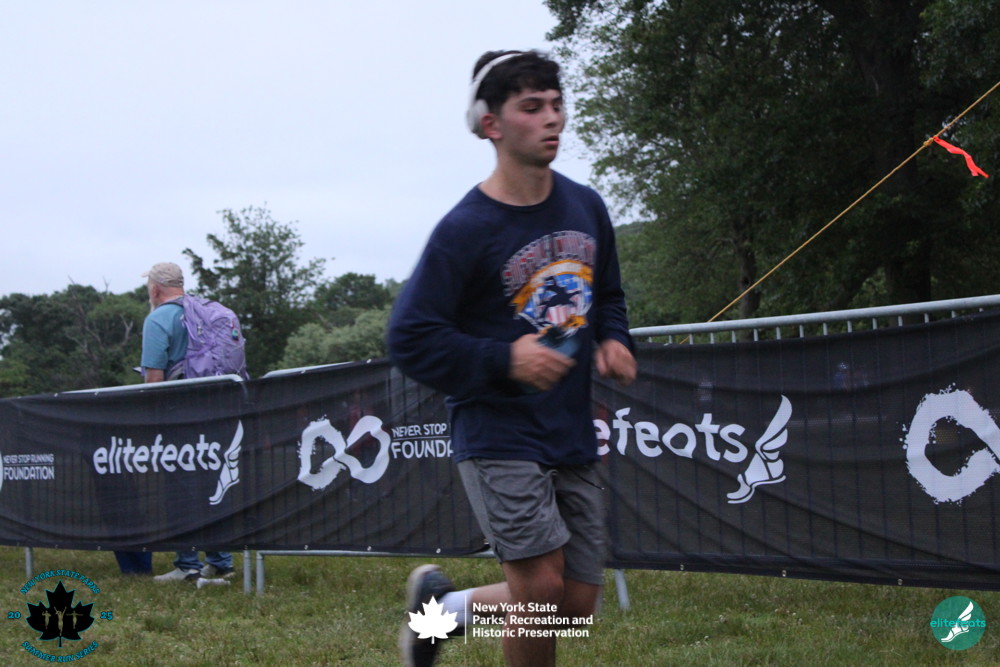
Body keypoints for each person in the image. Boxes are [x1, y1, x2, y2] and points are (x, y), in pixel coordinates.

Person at [388, 50, 636, 667]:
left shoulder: (586, 206)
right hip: (497, 429)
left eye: (556, 104)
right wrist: (504, 360)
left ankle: (443, 611)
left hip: (568, 427)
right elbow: (410, 336)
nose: (552, 118)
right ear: (490, 124)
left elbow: (607, 293)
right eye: (531, 107)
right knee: (540, 592)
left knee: (574, 607)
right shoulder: (465, 229)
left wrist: (614, 338)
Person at [140, 261, 236, 583]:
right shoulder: (208, 312)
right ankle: (220, 561)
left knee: (180, 488)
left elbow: (154, 378)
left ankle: (188, 564)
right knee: (214, 484)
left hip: (178, 415)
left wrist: (150, 419)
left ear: (155, 288)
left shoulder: (158, 319)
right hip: (216, 410)